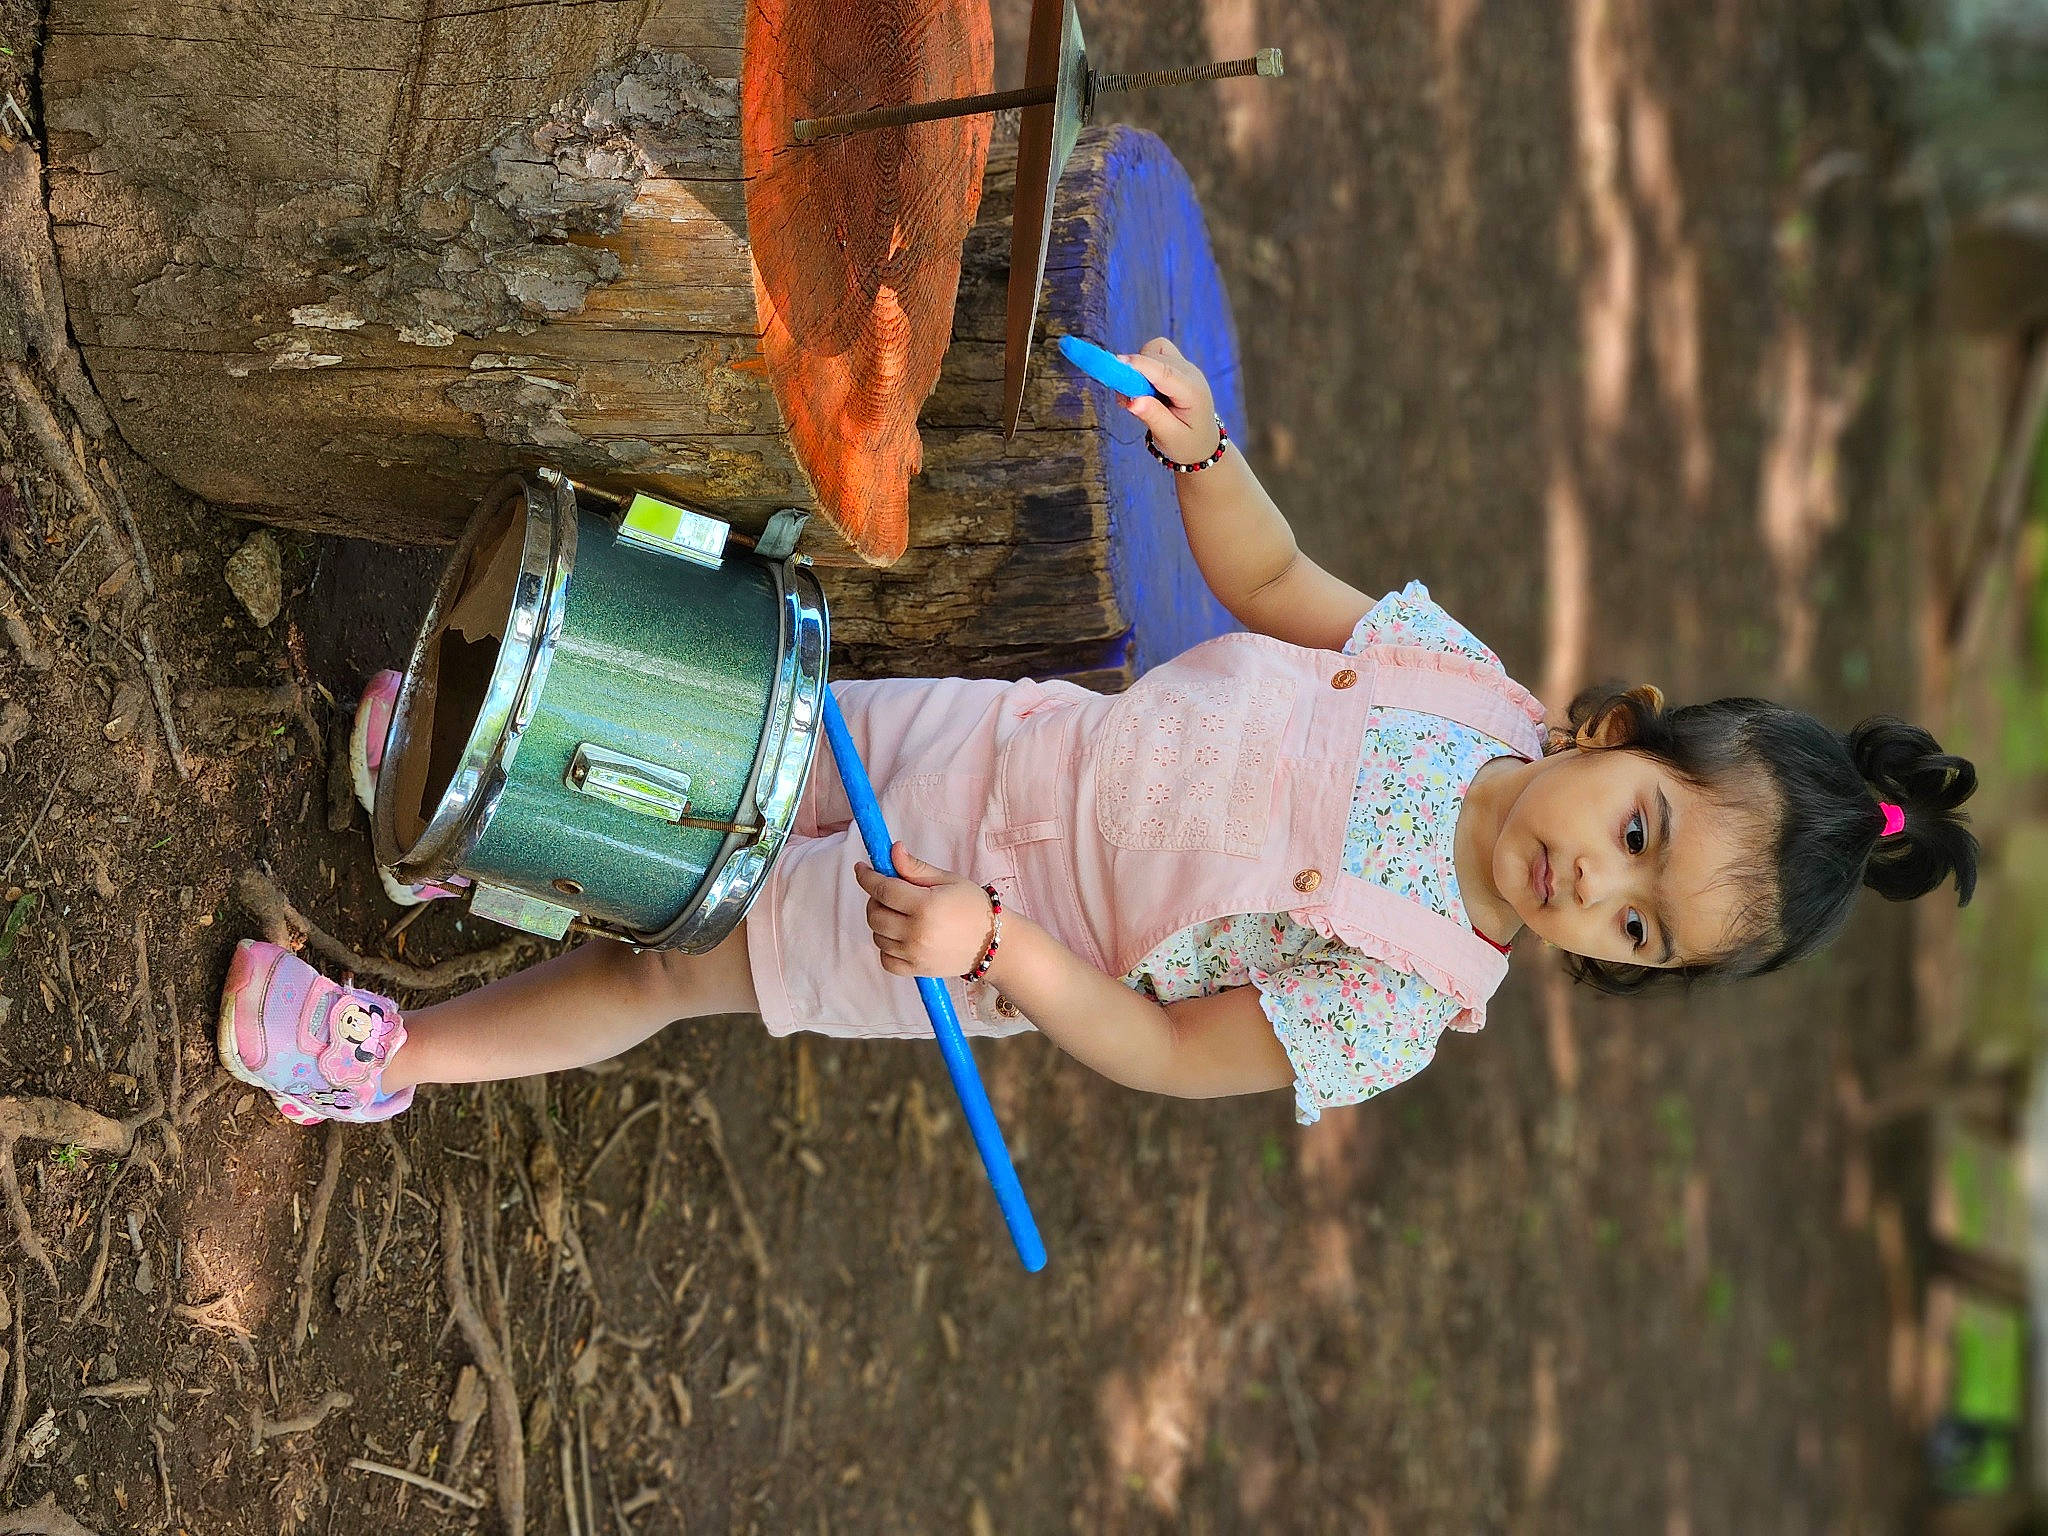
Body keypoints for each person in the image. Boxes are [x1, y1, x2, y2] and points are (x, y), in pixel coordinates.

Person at [217, 339, 1980, 1129]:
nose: (1594, 884)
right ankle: (501, 827)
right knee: (732, 754)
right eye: (1641, 834)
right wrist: (1207, 454)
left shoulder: (1408, 998)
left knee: (678, 967)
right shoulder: (1456, 683)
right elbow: (1273, 577)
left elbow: (1161, 1050)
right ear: (1617, 731)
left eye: (1638, 930)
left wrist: (999, 951)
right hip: (990, 745)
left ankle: (378, 1060)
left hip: (976, 929)